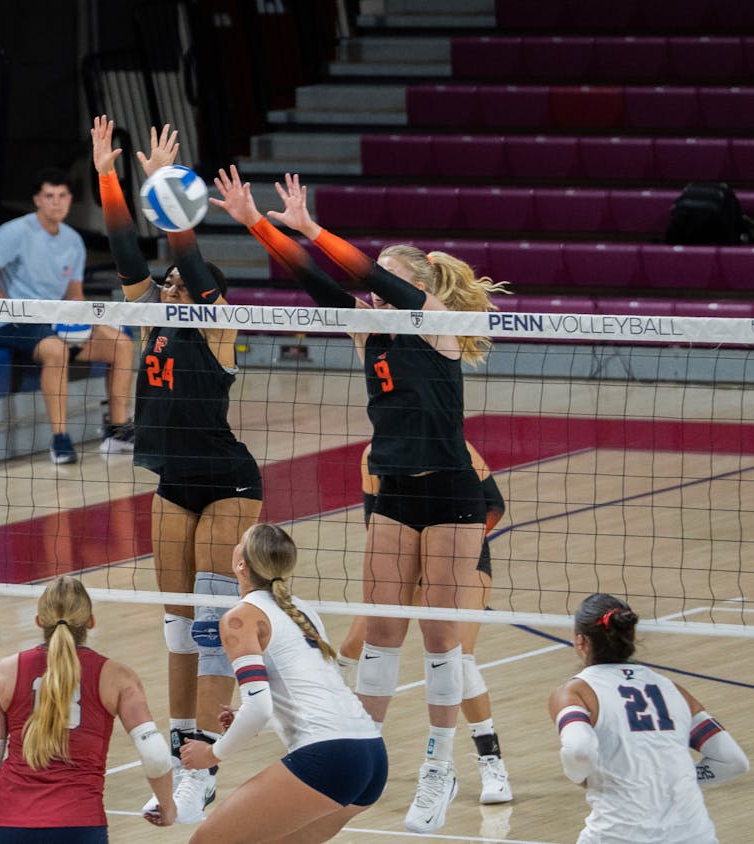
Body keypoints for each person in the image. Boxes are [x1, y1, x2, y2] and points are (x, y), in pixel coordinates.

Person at [214, 169, 507, 833]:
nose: (369, 287)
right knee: (379, 632)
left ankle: (439, 765)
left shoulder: (437, 324)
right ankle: (362, 753)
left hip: (453, 494)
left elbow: (378, 283)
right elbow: (315, 280)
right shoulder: (367, 333)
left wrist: (314, 227)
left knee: (441, 641)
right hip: (395, 493)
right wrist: (257, 221)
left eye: (383, 277)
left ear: (415, 288)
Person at [91, 116, 263, 824]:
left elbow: (188, 265)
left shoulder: (217, 326)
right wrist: (111, 174)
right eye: (159, 285)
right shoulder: (151, 317)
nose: (163, 287)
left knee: (213, 625)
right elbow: (127, 248)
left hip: (227, 480)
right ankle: (184, 748)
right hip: (172, 480)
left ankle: (209, 763)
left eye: (176, 283)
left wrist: (172, 194)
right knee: (175, 626)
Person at [178, 523, 386, 843]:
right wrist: (266, 715)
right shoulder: (302, 609)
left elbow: (257, 707)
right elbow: (304, 690)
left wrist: (213, 754)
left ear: (241, 564)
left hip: (329, 757)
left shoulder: (240, 617)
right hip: (371, 754)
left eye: (240, 541)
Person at [337, 440, 513, 805]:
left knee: (459, 657)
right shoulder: (373, 454)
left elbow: (494, 505)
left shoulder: (455, 444)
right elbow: (375, 517)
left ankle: (490, 762)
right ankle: (329, 727)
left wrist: (448, 556)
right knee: (355, 643)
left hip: (459, 556)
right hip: (405, 555)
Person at [0, 576, 177, 842]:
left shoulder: (3, 673)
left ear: (39, 622)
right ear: (91, 621)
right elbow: (156, 756)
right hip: (78, 823)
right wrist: (168, 806)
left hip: (5, 825)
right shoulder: (117, 677)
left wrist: (16, 803)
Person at [548, 593, 748, 843]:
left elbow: (580, 751)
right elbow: (733, 761)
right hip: (696, 836)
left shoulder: (575, 692)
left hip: (619, 836)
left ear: (581, 642)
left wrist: (579, 775)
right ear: (630, 635)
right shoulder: (672, 689)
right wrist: (670, 777)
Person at [0, 168, 136, 465]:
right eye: (49, 196)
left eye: (62, 196)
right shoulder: (14, 232)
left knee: (121, 343)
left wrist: (92, 321)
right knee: (56, 350)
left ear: (70, 200)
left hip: (54, 320)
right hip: (11, 322)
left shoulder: (73, 241)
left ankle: (117, 432)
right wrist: (13, 309)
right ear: (37, 200)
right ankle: (60, 439)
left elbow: (74, 294)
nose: (56, 202)